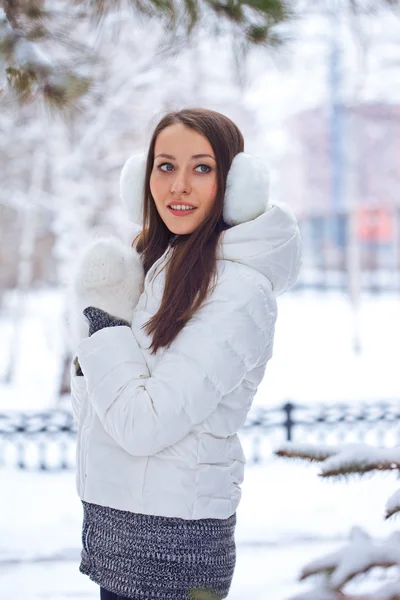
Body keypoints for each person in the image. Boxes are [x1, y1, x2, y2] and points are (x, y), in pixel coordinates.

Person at [68, 107, 302, 600]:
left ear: (235, 184)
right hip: (123, 534)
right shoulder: (158, 268)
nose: (179, 186)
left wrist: (106, 325)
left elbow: (144, 423)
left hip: (173, 548)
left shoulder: (238, 290)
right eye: (165, 166)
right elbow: (99, 414)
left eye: (201, 168)